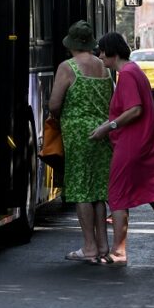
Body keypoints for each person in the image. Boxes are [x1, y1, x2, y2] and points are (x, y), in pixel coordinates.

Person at [90, 31, 154, 265]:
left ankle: (118, 251)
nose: (100, 56)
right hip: (146, 143)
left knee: (117, 196)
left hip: (132, 145)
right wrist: (107, 125)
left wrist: (108, 127)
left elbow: (134, 110)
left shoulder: (127, 75)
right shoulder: (134, 71)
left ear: (111, 52)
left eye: (102, 51)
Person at [47, 21, 114, 263]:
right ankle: (103, 246)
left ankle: (88, 247)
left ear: (71, 44)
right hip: (103, 133)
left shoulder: (68, 67)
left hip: (78, 136)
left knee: (81, 191)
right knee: (97, 191)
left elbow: (54, 104)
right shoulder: (104, 67)